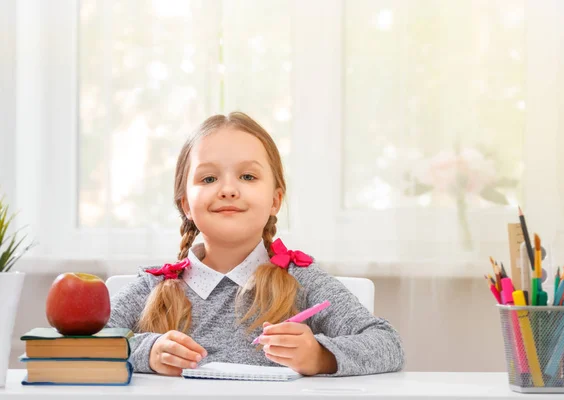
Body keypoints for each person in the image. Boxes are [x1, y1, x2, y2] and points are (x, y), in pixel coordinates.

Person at [108, 112, 405, 376]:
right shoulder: (152, 287)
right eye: (209, 178)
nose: (228, 189)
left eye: (247, 176)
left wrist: (319, 356)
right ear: (186, 205)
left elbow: (387, 344)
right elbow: (85, 344)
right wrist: (148, 351)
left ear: (275, 200)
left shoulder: (301, 280)